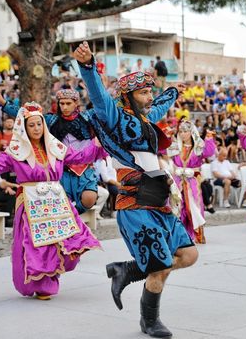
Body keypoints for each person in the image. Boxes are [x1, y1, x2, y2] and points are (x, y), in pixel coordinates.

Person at [74, 41, 198, 338]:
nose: (149, 97)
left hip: (158, 201)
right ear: (128, 97)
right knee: (160, 266)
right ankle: (149, 320)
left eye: (149, 92)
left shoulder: (145, 118)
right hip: (136, 205)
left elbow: (159, 108)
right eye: (143, 92)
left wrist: (173, 93)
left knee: (189, 255)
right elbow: (99, 96)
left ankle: (126, 270)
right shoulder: (115, 116)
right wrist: (88, 65)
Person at [0, 102, 104, 299]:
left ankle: (51, 279)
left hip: (56, 201)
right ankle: (42, 284)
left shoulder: (56, 148)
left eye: (39, 124)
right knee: (37, 245)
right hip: (30, 202)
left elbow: (81, 156)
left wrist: (101, 143)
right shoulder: (16, 152)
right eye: (31, 125)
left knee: (61, 242)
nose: (36, 128)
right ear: (24, 128)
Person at [0, 88, 104, 216]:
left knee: (89, 198)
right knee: (63, 201)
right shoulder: (51, 120)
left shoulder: (87, 117)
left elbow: (105, 110)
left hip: (85, 165)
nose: (65, 107)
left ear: (76, 103)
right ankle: (69, 219)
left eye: (68, 103)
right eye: (62, 103)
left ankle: (73, 215)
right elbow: (25, 113)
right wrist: (4, 103)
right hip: (63, 166)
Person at [168, 121, 216, 243]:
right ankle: (182, 235)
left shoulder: (198, 147)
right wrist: (167, 136)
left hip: (193, 180)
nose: (183, 134)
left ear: (191, 132)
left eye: (185, 131)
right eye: (181, 131)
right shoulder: (176, 146)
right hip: (178, 181)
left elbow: (209, 153)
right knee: (179, 207)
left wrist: (209, 139)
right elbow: (163, 151)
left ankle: (197, 234)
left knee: (194, 207)